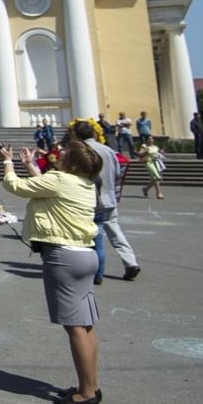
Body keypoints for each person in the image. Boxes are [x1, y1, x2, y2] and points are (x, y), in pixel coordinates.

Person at [2, 141, 102, 404]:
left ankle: (87, 394)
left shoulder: (60, 179)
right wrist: (30, 166)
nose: (59, 154)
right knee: (86, 324)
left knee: (74, 327)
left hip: (63, 257)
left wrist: (8, 162)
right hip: (86, 254)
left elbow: (16, 187)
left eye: (65, 153)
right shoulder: (85, 184)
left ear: (71, 163)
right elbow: (50, 189)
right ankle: (90, 384)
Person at [78, 121, 139, 284]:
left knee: (93, 237)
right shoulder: (108, 150)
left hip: (90, 200)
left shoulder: (82, 151)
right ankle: (130, 262)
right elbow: (118, 173)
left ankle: (96, 272)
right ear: (95, 134)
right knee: (115, 230)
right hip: (109, 197)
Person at [136, 135, 166, 200]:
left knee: (155, 178)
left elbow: (157, 154)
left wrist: (161, 153)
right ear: (147, 140)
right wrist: (145, 151)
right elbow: (140, 153)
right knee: (156, 176)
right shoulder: (144, 146)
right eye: (149, 138)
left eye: (152, 138)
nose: (150, 140)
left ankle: (146, 189)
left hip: (156, 162)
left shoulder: (156, 147)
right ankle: (159, 193)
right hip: (148, 162)